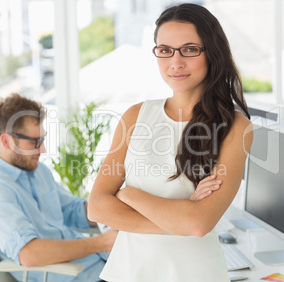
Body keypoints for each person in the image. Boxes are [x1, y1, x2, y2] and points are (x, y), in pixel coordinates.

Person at [88, 3, 253, 282]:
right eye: (165, 50)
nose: (175, 62)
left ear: (212, 53)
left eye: (189, 49)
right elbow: (97, 207)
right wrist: (178, 219)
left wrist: (129, 195)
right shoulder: (135, 116)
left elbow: (199, 223)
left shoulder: (235, 128)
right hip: (124, 273)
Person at [0, 93, 118, 282]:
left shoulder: (37, 170)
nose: (42, 150)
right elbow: (30, 254)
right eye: (34, 142)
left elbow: (72, 210)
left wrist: (112, 211)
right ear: (6, 141)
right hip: (79, 276)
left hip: (103, 267)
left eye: (42, 139)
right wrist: (101, 243)